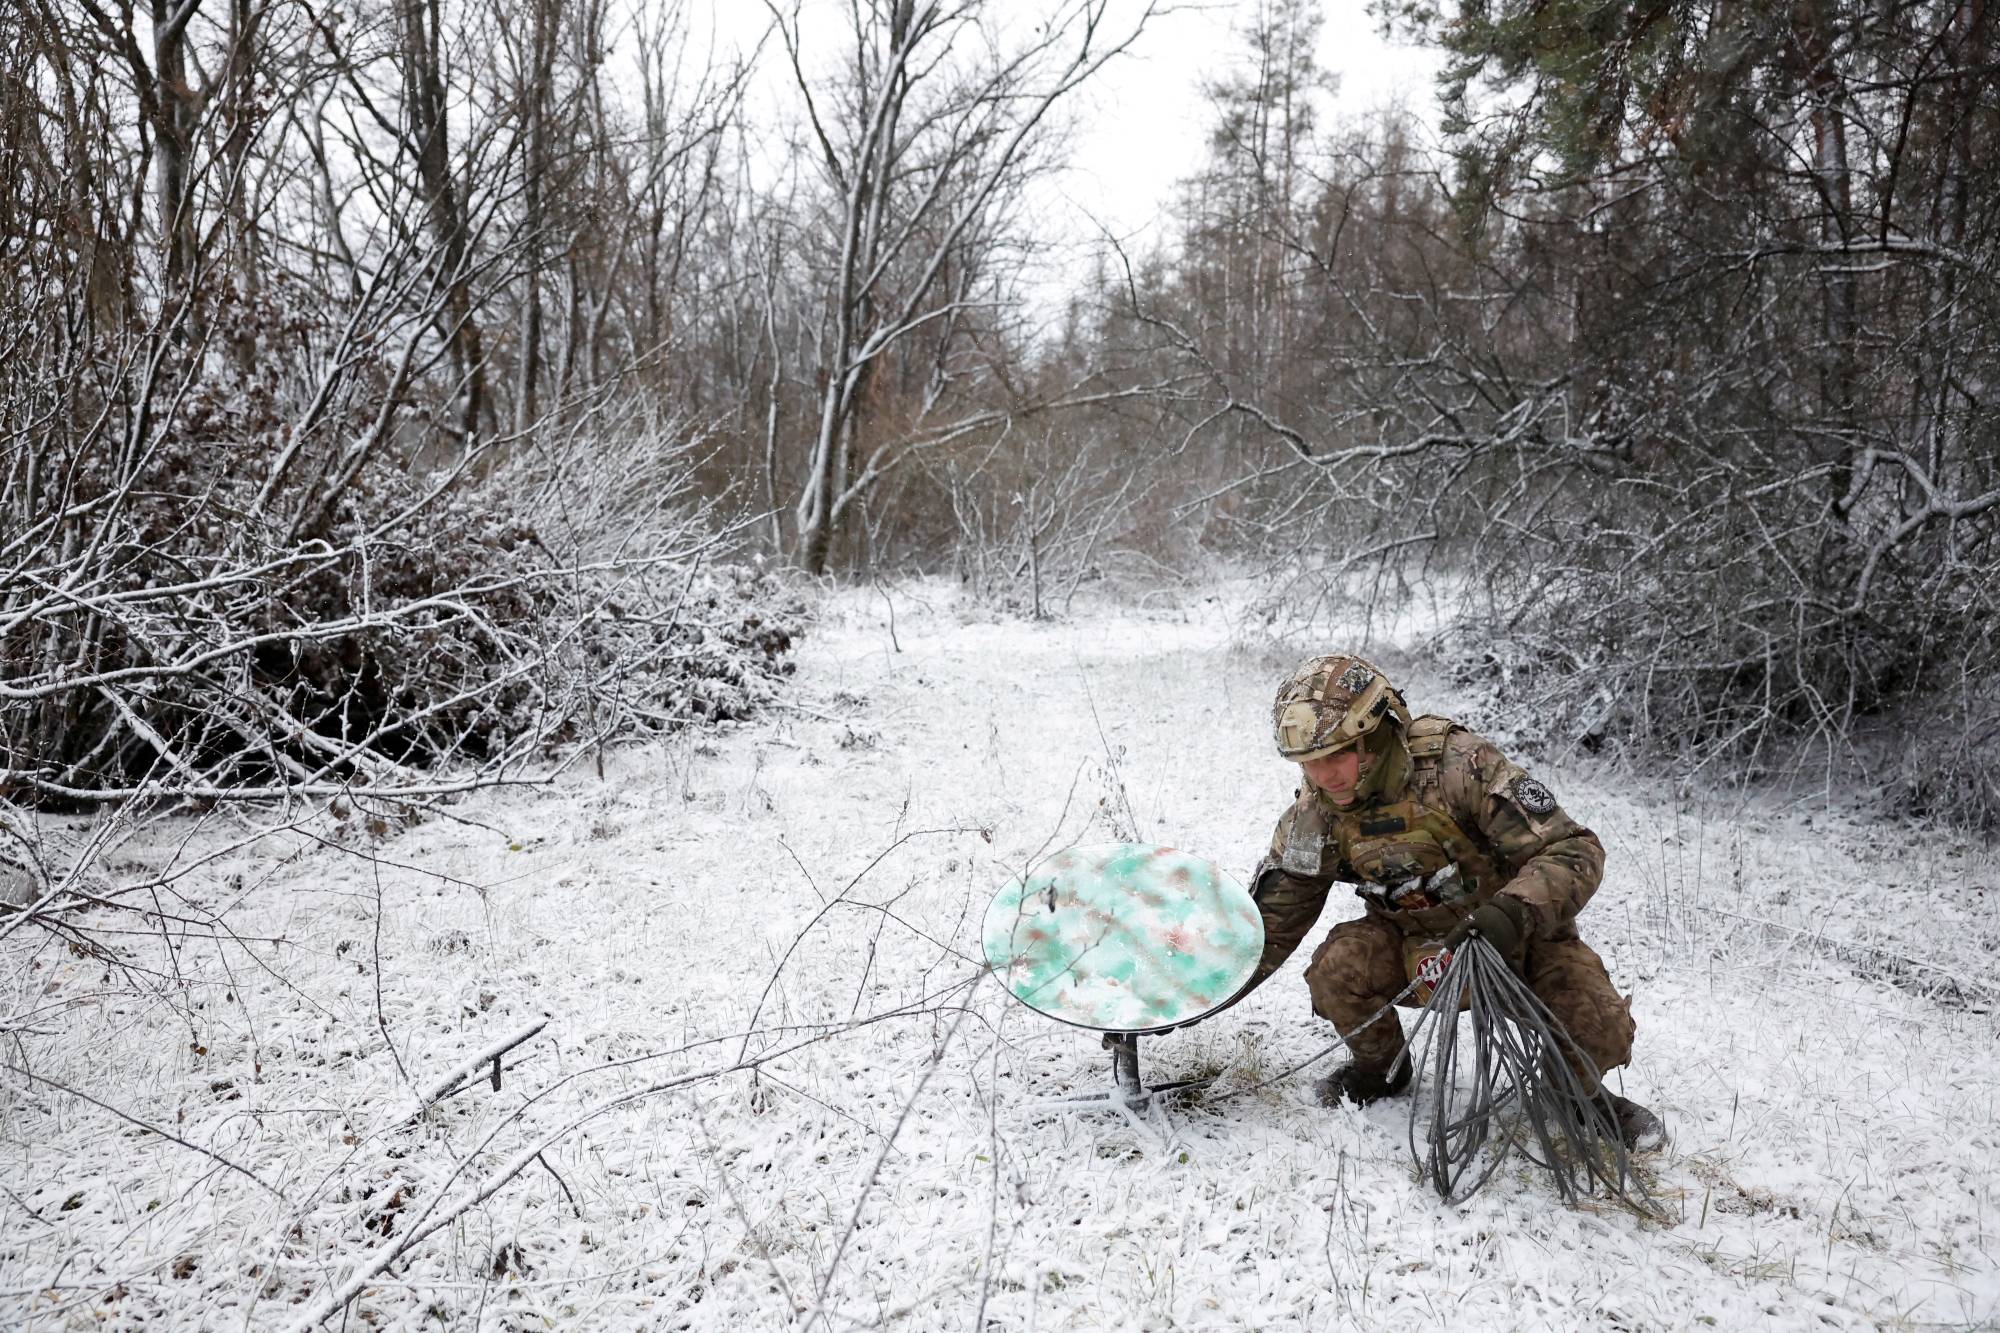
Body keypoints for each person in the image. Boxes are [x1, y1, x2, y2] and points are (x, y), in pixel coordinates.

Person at [1246, 653, 1665, 1149]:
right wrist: (1190, 996)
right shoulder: (1315, 814)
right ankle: (1380, 1071)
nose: (1323, 776)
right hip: (1413, 947)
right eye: (1308, 764)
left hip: (1514, 939)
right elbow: (1272, 921)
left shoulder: (1458, 767)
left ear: (1375, 735)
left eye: (1336, 756)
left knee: (1598, 1024)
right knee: (1338, 969)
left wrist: (1510, 914)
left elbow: (1574, 849)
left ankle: (1576, 1095)